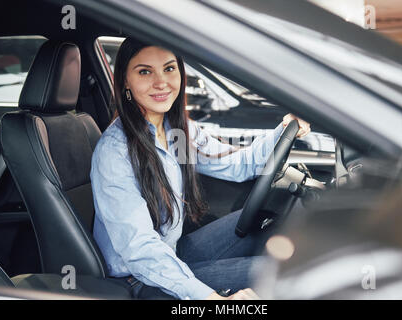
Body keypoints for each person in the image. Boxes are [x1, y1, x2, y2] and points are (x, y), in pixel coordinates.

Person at [90, 37, 310, 300]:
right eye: (145, 71)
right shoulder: (115, 152)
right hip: (139, 278)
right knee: (286, 273)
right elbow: (139, 249)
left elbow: (236, 165)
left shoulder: (177, 132)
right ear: (125, 80)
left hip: (171, 251)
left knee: (269, 227)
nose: (161, 82)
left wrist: (284, 132)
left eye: (169, 69)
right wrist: (209, 298)